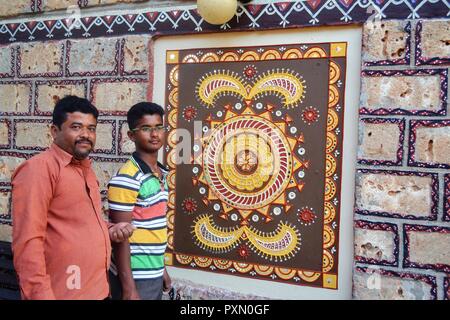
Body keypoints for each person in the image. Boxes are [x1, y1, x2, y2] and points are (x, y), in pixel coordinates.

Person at [11, 95, 135, 300]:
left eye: (91, 128)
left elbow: (75, 224)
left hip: (98, 290)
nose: (86, 135)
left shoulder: (85, 168)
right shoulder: (39, 169)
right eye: (76, 127)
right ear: (54, 131)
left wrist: (110, 230)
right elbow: (28, 242)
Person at [108, 102, 171, 300]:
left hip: (153, 272)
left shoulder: (160, 173)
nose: (154, 134)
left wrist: (162, 269)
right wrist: (129, 288)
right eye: (146, 128)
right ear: (132, 135)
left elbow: (153, 228)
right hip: (135, 276)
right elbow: (120, 237)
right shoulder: (128, 177)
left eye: (159, 127)